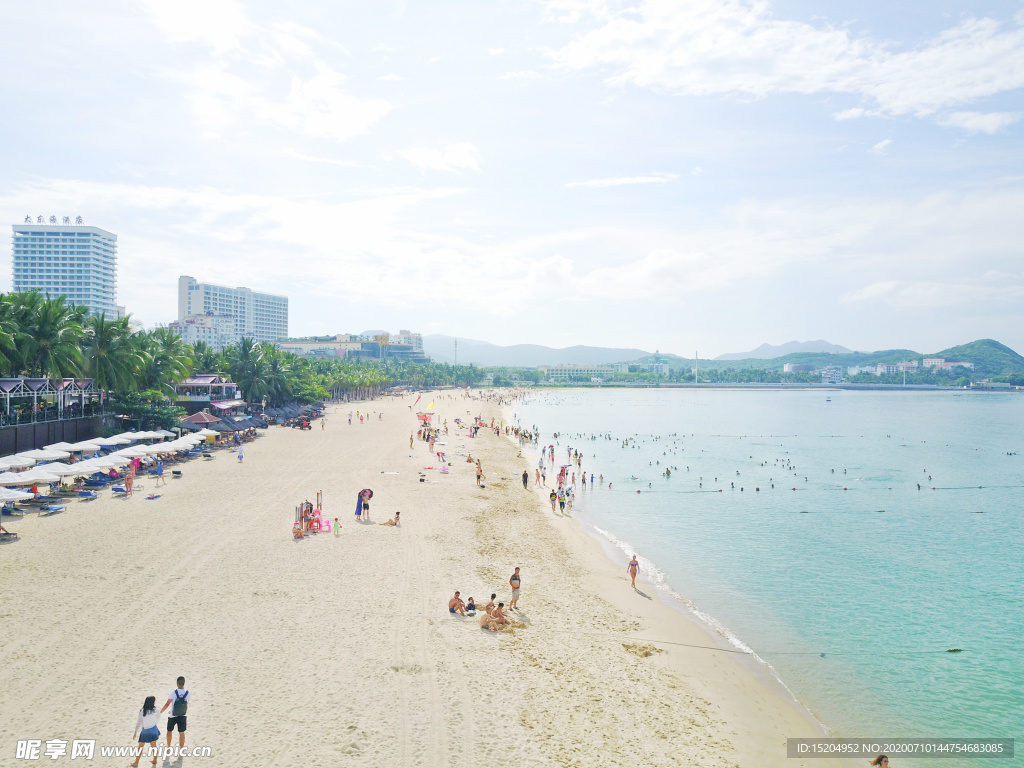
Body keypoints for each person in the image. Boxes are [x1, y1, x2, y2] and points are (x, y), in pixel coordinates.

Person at [160, 676, 191, 752]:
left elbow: (167, 704)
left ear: (177, 684)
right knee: (181, 733)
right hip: (183, 715)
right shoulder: (188, 693)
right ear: (184, 683)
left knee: (169, 731)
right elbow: (186, 704)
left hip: (173, 715)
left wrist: (161, 712)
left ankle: (168, 747)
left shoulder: (173, 692)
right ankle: (181, 749)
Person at [132, 695, 161, 766]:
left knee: (140, 747)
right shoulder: (156, 710)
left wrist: (135, 732)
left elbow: (139, 723)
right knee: (154, 746)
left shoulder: (142, 711)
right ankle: (155, 760)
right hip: (154, 729)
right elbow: (158, 718)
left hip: (145, 731)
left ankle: (136, 763)